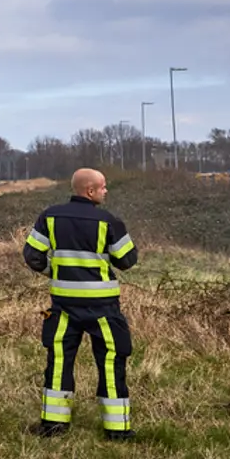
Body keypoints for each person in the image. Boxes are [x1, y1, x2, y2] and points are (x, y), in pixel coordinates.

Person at [22, 167, 141, 440]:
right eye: (103, 187)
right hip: (103, 307)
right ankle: (117, 429)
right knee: (112, 361)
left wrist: (55, 271)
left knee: (59, 361)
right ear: (90, 191)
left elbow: (32, 256)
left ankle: (53, 425)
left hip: (63, 304)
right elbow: (127, 260)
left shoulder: (49, 216)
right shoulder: (109, 221)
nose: (106, 191)